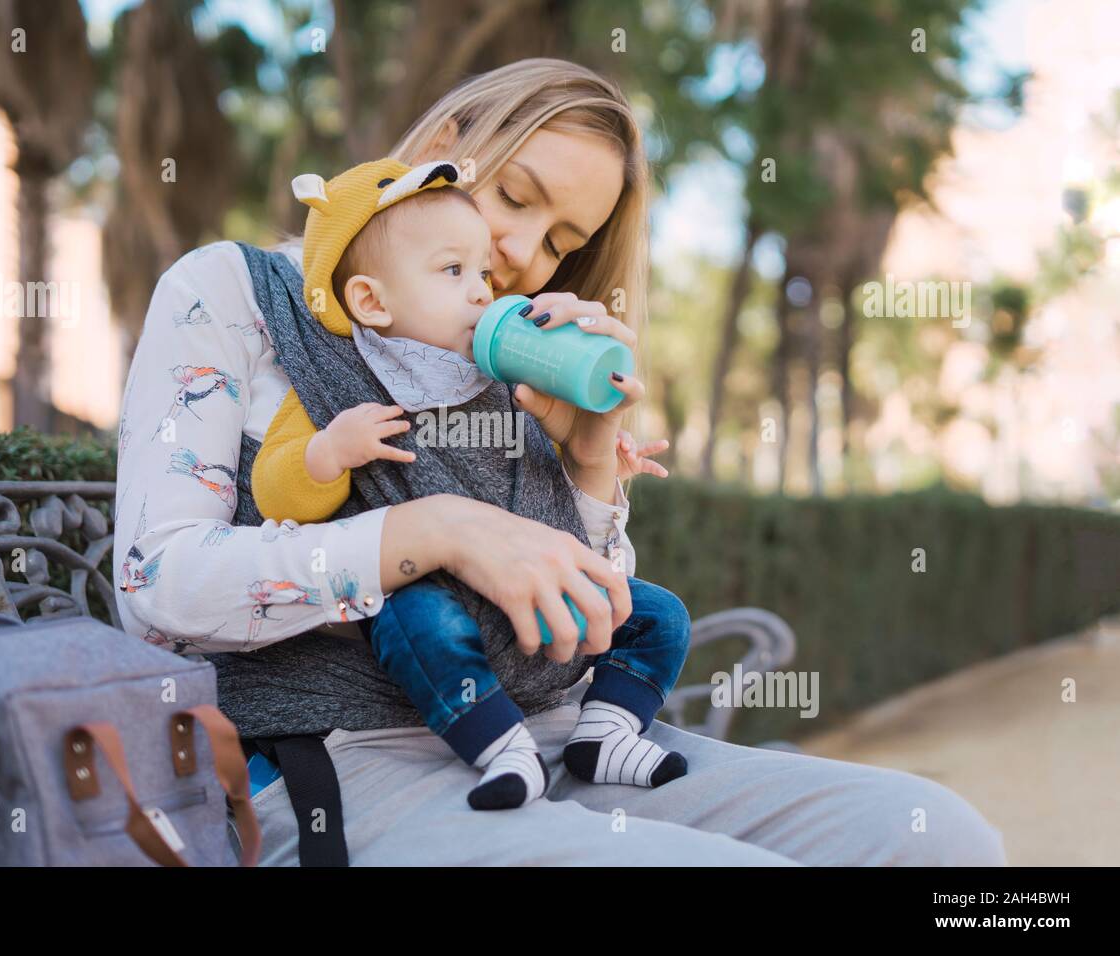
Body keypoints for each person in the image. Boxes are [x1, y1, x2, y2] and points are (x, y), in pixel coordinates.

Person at [114, 58, 1008, 865]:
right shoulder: (232, 292)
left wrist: (586, 459)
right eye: (515, 198)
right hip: (338, 759)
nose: (517, 257)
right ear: (439, 148)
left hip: (559, 733)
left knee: (938, 838)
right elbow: (156, 585)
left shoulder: (506, 349)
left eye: (557, 241)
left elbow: (580, 618)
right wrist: (433, 530)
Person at [247, 156, 690, 810]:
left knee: (655, 612)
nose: (485, 289)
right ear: (372, 299)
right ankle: (497, 745)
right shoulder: (334, 380)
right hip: (431, 598)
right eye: (455, 272)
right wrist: (324, 453)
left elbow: (554, 521)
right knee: (412, 621)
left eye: (483, 273)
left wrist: (592, 451)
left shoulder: (503, 381)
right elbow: (272, 493)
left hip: (530, 606)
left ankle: (609, 728)